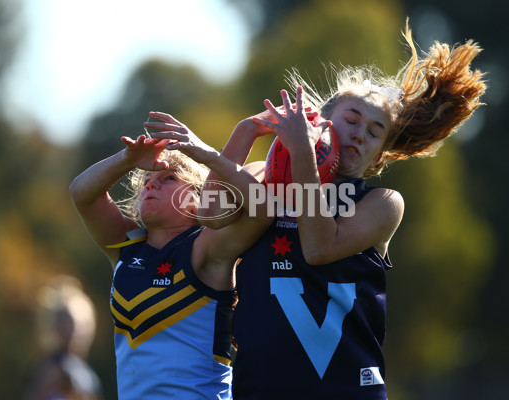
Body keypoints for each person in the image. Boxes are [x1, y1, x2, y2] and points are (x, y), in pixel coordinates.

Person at [154, 21, 486, 400]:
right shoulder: (264, 176)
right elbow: (212, 215)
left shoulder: (382, 203)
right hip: (259, 389)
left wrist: (301, 156)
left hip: (344, 390)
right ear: (321, 124)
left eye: (375, 131)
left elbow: (318, 248)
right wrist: (246, 130)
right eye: (351, 120)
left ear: (379, 157)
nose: (361, 133)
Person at [69, 127, 269, 399]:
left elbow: (263, 211)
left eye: (168, 178)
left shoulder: (206, 246)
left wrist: (240, 136)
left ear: (195, 199)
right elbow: (82, 192)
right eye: (147, 181)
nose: (151, 185)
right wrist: (127, 159)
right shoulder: (126, 247)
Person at [25, 275, 103, 400]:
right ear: (55, 323)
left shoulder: (83, 371)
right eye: (70, 323)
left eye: (84, 323)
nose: (79, 330)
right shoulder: (52, 370)